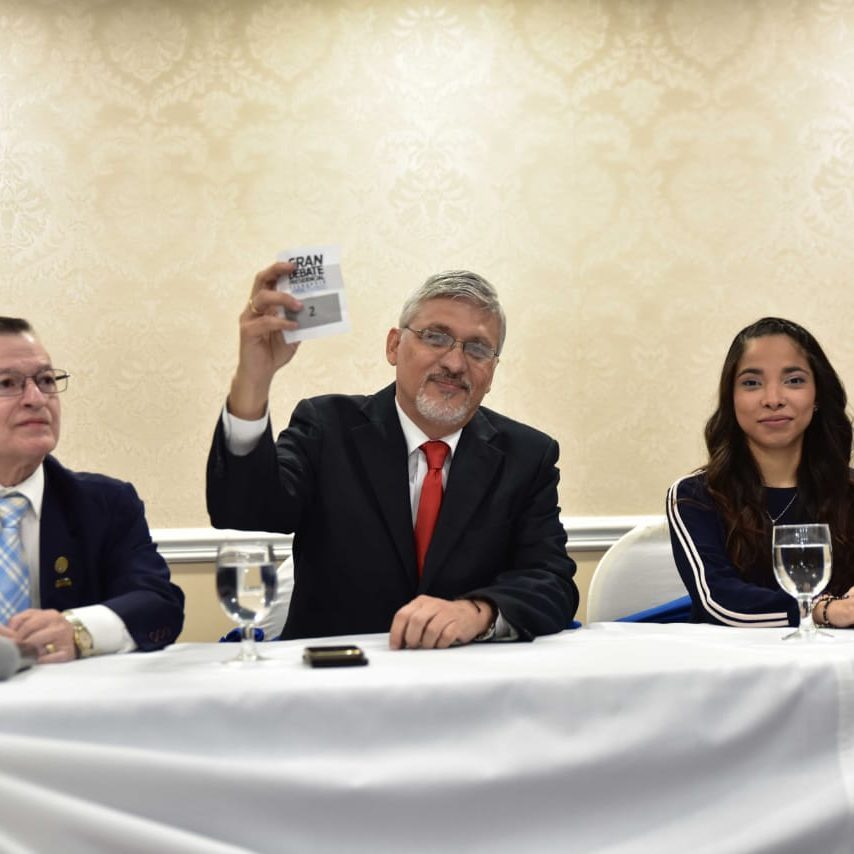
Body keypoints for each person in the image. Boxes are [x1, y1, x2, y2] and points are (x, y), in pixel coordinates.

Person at [207, 262, 578, 648]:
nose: (455, 363)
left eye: (478, 349)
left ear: (493, 370)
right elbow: (242, 507)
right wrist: (254, 378)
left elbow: (551, 582)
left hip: (465, 675)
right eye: (436, 337)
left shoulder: (527, 456)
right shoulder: (328, 427)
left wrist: (477, 613)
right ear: (393, 346)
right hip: (337, 674)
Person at [0, 317, 185, 662]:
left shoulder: (105, 504)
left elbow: (158, 605)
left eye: (45, 380)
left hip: (70, 692)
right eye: (7, 383)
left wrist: (78, 630)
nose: (36, 398)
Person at [667, 317, 854, 628]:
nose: (773, 399)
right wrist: (822, 610)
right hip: (728, 657)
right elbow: (719, 601)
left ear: (818, 395)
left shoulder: (849, 490)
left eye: (794, 380)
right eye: (752, 383)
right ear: (731, 398)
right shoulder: (693, 496)